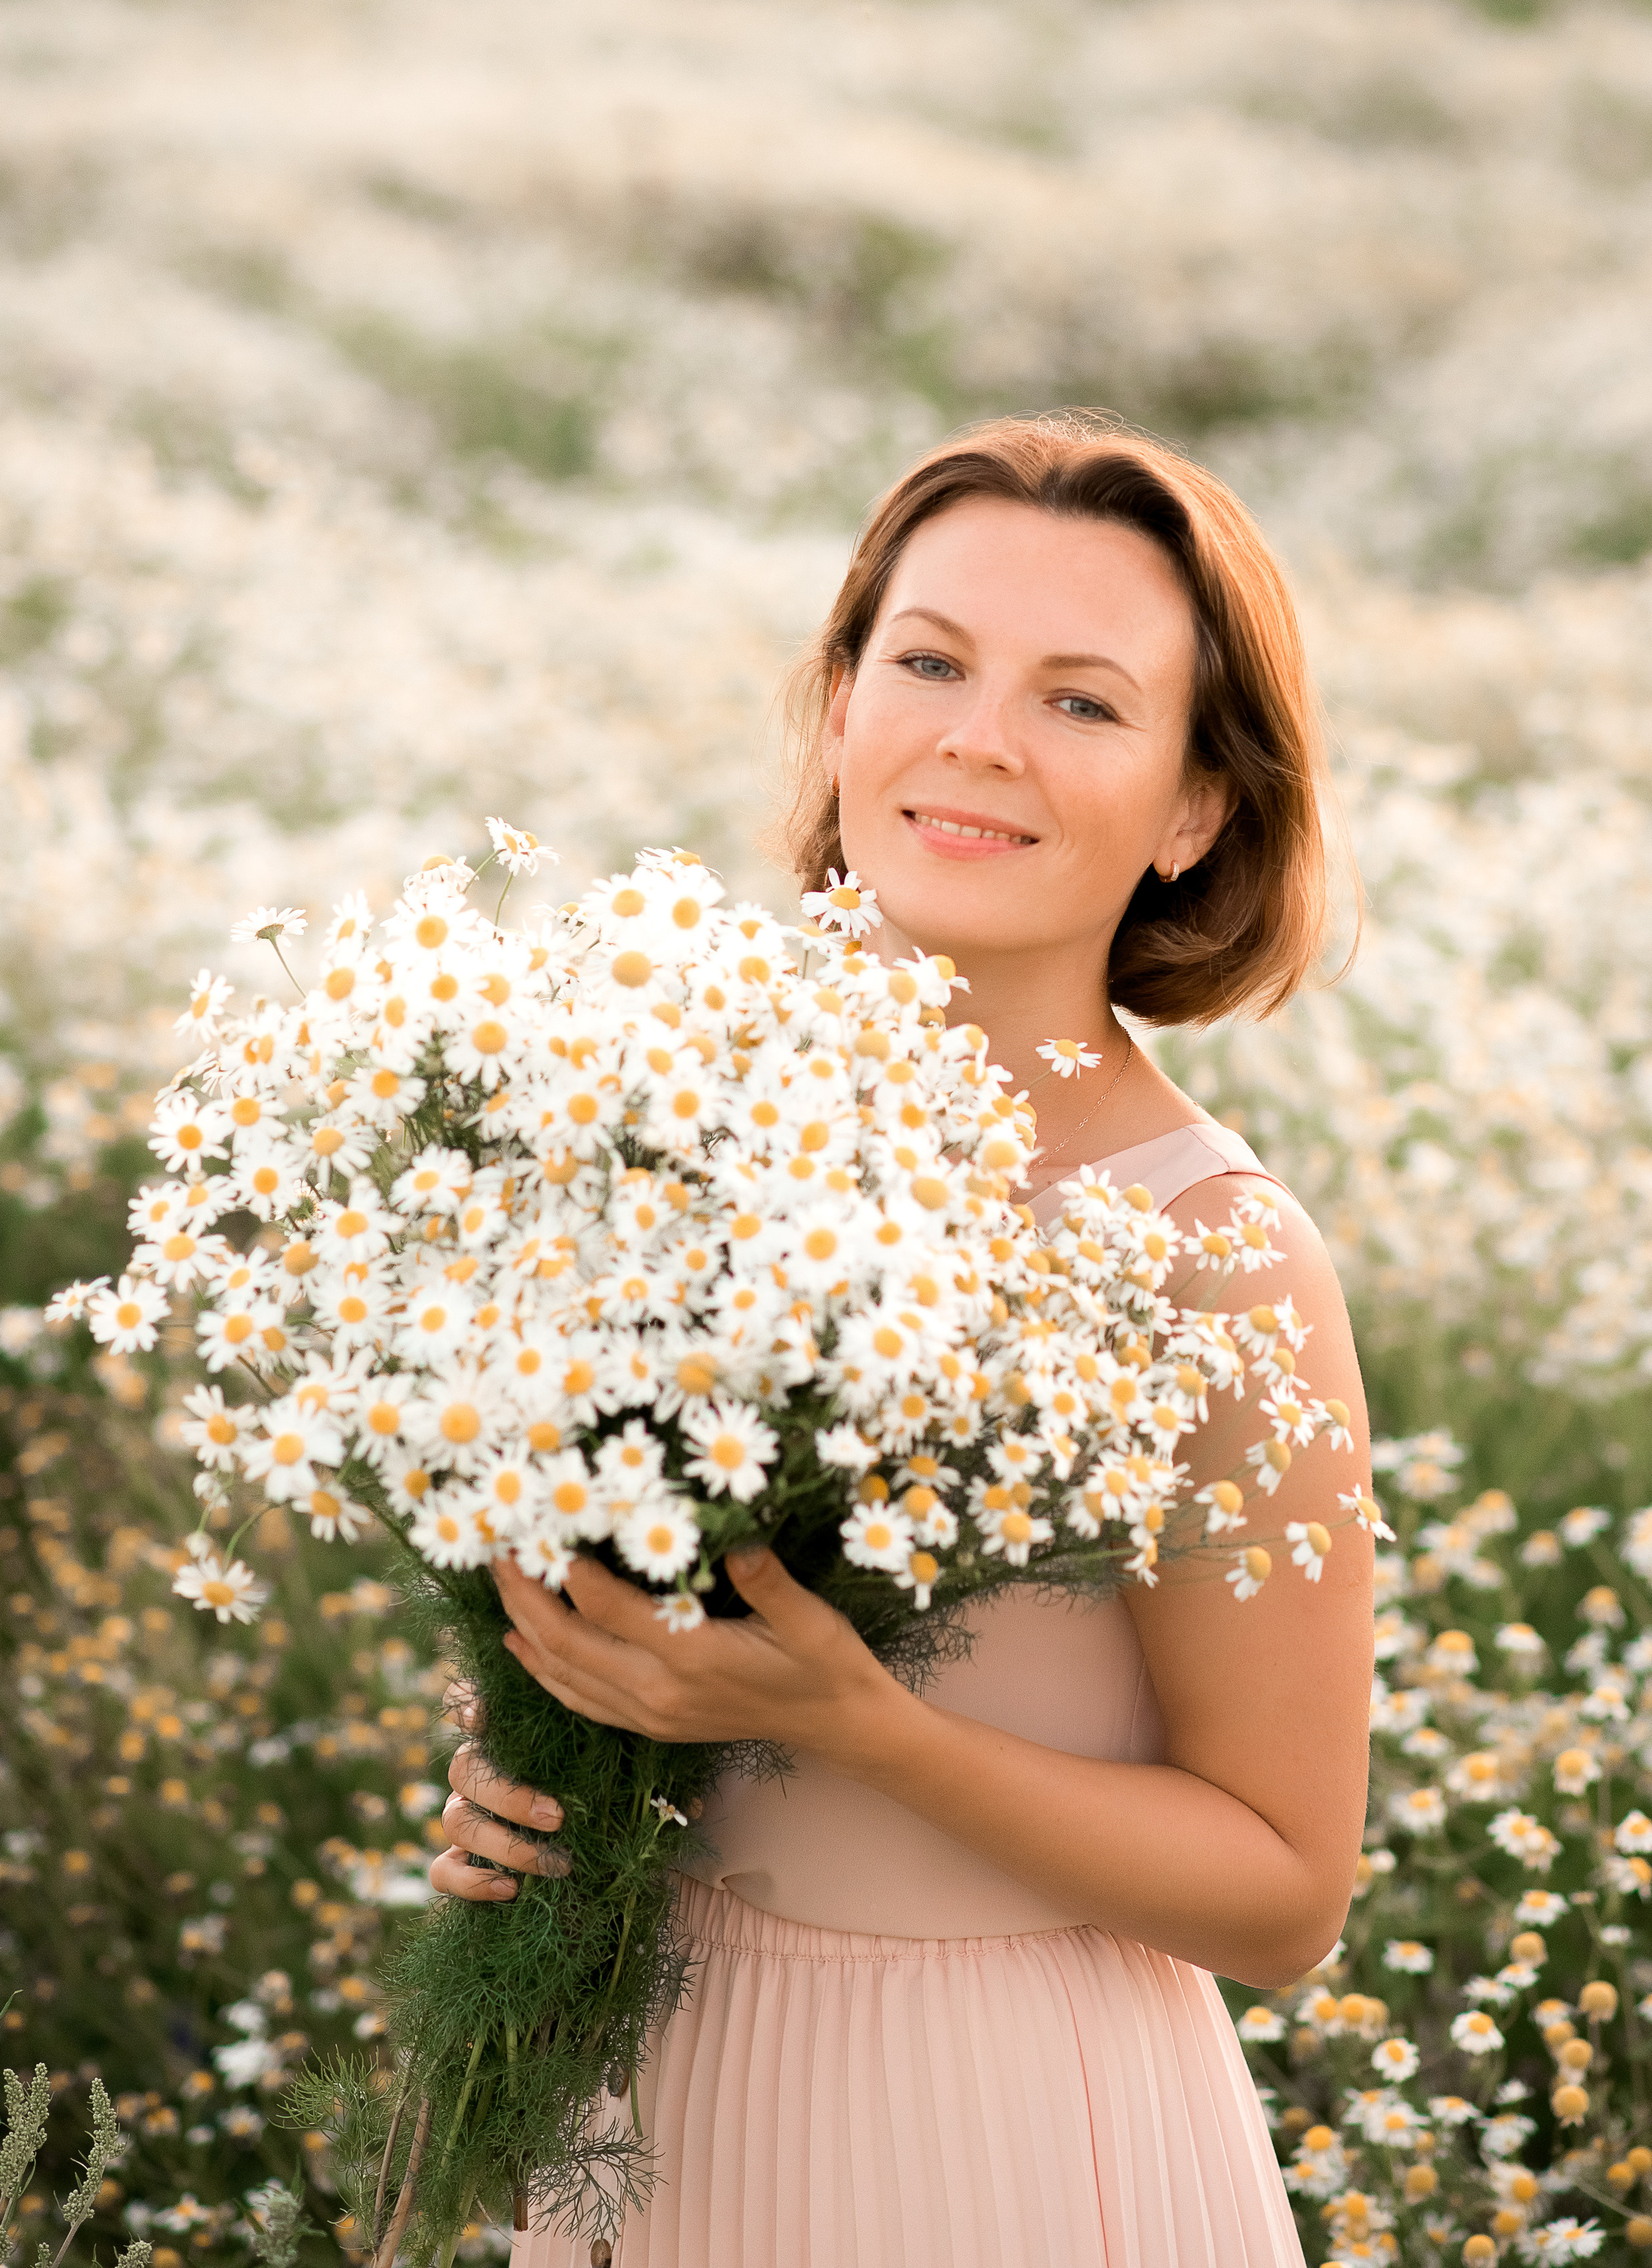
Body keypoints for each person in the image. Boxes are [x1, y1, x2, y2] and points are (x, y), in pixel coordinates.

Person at [434, 412, 1374, 2267]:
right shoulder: (655, 1123)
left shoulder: (1219, 1255)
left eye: (1082, 702)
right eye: (930, 662)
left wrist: (858, 1726)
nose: (979, 738)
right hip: (654, 2108)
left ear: (1196, 809)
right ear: (844, 703)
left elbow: (1284, 1894)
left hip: (1001, 2129)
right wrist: (520, 1771)